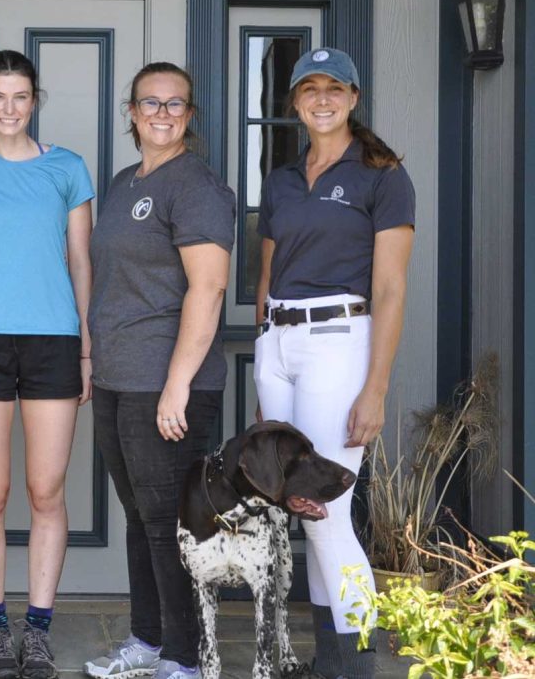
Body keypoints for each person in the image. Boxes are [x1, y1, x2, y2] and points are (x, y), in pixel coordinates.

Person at [253, 47, 415, 679]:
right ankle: (330, 661)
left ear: (353, 98)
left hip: (339, 340)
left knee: (322, 510)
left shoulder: (382, 174)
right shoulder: (282, 180)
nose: (321, 98)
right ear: (294, 102)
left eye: (334, 88)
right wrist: (266, 352)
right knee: (298, 507)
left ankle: (354, 667)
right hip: (280, 344)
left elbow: (392, 290)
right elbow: (268, 274)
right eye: (309, 89)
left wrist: (375, 388)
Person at [0, 50, 94, 679]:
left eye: (20, 96)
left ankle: (39, 629)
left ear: (35, 100)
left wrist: (86, 345)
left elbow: (81, 261)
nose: (8, 108)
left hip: (54, 340)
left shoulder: (68, 169)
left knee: (45, 491)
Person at [82, 62, 235, 679]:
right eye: (151, 103)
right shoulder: (124, 183)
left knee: (172, 522)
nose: (163, 113)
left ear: (190, 116)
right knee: (141, 517)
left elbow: (210, 285)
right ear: (133, 113)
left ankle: (187, 658)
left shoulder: (194, 186)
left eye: (176, 105)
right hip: (120, 378)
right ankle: (148, 641)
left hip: (168, 384)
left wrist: (176, 385)